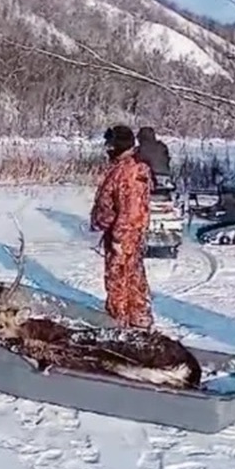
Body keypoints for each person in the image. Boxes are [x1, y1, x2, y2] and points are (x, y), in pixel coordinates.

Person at [90, 126, 154, 328]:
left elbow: (131, 211)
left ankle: (121, 324)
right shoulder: (122, 167)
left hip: (124, 236)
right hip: (120, 233)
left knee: (121, 281)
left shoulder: (130, 171)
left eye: (110, 145)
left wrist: (119, 238)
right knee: (130, 278)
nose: (107, 149)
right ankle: (133, 321)